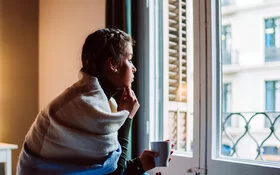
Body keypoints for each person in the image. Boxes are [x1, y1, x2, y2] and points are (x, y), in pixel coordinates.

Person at [16, 28, 169, 175]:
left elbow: (99, 167)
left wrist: (141, 164)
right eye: (129, 59)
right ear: (113, 64)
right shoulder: (87, 105)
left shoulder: (100, 101)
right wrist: (127, 116)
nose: (134, 68)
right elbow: (113, 172)